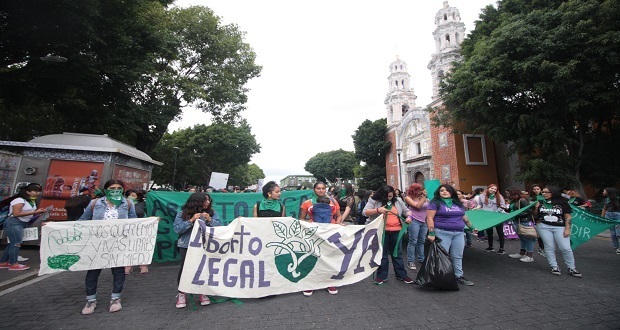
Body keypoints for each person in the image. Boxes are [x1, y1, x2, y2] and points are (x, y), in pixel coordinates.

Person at [78, 180, 137, 315]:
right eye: (112, 188)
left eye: (118, 188)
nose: (115, 190)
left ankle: (116, 298)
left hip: (118, 243)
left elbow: (134, 221)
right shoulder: (95, 203)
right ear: (106, 190)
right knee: (93, 272)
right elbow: (83, 221)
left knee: (118, 271)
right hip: (97, 243)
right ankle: (91, 300)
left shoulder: (127, 203)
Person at [174, 192, 222, 308]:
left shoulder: (212, 213)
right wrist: (191, 220)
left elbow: (220, 227)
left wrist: (210, 220)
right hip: (187, 246)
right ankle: (182, 293)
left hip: (205, 246)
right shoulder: (182, 214)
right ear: (197, 201)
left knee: (204, 268)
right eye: (205, 200)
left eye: (209, 200)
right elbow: (177, 229)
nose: (208, 202)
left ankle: (202, 292)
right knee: (185, 269)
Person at [426, 184, 478, 286]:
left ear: (451, 192)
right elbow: (429, 218)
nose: (444, 192)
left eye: (447, 190)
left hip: (458, 233)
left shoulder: (457, 204)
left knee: (458, 255)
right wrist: (431, 233)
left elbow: (464, 217)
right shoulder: (435, 203)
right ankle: (442, 276)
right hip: (442, 232)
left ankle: (459, 276)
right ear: (438, 193)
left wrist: (472, 227)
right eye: (442, 190)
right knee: (442, 256)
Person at [362, 185, 413, 285]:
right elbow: (364, 212)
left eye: (391, 196)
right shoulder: (374, 200)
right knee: (382, 254)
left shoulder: (398, 200)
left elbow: (407, 211)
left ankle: (402, 275)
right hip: (381, 231)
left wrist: (409, 217)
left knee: (397, 253)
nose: (389, 198)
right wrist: (377, 210)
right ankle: (381, 276)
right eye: (387, 196)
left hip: (396, 231)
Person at [298, 181, 341, 296]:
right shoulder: (307, 203)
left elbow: (339, 215)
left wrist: (338, 223)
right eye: (318, 188)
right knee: (312, 257)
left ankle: (329, 283)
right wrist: (309, 224)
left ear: (326, 189)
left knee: (328, 257)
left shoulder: (333, 202)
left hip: (329, 233)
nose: (321, 190)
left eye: (323, 188)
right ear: (314, 190)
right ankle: (310, 284)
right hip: (314, 234)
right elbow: (301, 219)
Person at [533, 186, 582, 277]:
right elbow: (535, 215)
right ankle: (554, 266)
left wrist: (567, 228)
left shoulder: (563, 202)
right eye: (543, 192)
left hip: (560, 227)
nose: (544, 194)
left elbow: (568, 216)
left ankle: (571, 267)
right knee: (549, 246)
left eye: (547, 192)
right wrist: (536, 209)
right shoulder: (539, 202)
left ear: (553, 193)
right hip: (543, 226)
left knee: (565, 248)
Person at [0, 183, 47, 271]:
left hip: (21, 223)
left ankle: (3, 262)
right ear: (28, 192)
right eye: (35, 191)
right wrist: (35, 212)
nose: (38, 193)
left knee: (13, 243)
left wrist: (38, 212)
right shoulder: (19, 200)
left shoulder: (31, 201)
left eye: (39, 191)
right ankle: (14, 264)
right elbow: (16, 213)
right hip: (14, 222)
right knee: (16, 243)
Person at [474, 184, 508, 254]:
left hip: (497, 216)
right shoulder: (482, 196)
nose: (493, 190)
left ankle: (501, 248)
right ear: (488, 188)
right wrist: (475, 208)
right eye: (492, 188)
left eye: (495, 189)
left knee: (500, 232)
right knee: (489, 232)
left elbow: (503, 205)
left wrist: (496, 212)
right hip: (487, 217)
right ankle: (490, 247)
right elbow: (480, 205)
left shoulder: (499, 196)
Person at [507, 189, 536, 262]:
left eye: (509, 194)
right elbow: (512, 209)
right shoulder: (514, 201)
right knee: (522, 237)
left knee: (528, 238)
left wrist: (516, 214)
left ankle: (530, 255)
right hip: (516, 220)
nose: (508, 195)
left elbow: (528, 211)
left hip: (523, 221)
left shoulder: (522, 200)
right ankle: (522, 253)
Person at [403, 183, 428, 270]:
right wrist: (424, 198)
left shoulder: (423, 198)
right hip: (414, 220)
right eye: (420, 189)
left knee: (421, 241)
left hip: (424, 221)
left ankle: (421, 259)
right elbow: (417, 206)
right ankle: (410, 261)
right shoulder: (408, 198)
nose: (422, 191)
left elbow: (428, 208)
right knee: (413, 240)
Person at [124, 189, 149, 275]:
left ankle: (143, 265)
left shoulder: (143, 204)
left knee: (141, 246)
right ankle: (128, 265)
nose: (131, 197)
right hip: (127, 229)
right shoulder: (123, 204)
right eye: (129, 195)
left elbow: (147, 213)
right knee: (128, 247)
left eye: (134, 196)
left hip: (141, 228)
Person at [601, 187, 620, 254]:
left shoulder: (618, 198)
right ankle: (617, 248)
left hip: (618, 216)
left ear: (609, 192)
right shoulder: (607, 199)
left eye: (604, 191)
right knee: (613, 233)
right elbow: (604, 208)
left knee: (618, 233)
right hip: (608, 215)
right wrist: (602, 218)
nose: (603, 192)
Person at [529, 184, 546, 257]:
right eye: (534, 189)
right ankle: (541, 248)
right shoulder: (531, 198)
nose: (536, 190)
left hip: (547, 216)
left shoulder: (545, 197)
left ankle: (545, 248)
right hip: (536, 217)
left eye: (537, 189)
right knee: (540, 234)